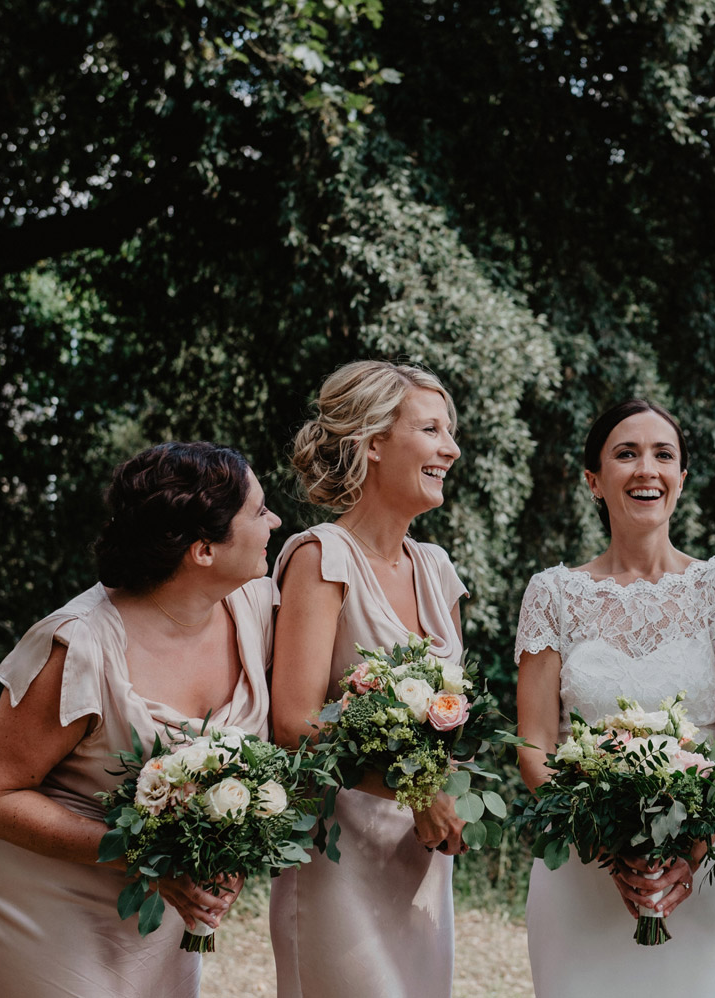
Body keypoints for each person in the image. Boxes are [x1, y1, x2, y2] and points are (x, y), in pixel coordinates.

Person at [0, 442, 281, 998]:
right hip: (44, 898)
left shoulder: (253, 608)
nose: (275, 521)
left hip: (158, 909)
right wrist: (149, 856)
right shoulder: (80, 645)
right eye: (258, 510)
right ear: (203, 550)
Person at [514, 398, 715, 998]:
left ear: (683, 475)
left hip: (702, 872)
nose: (646, 469)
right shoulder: (552, 594)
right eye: (625, 454)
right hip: (583, 866)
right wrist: (613, 851)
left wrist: (692, 846)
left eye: (663, 455)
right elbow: (534, 744)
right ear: (593, 480)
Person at [268, 360, 469, 998]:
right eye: (432, 430)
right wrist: (413, 790)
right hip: (337, 856)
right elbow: (293, 724)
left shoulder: (437, 570)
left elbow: (453, 713)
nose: (451, 448)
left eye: (450, 431)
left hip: (421, 853)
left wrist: (439, 792)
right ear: (374, 442)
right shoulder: (321, 557)